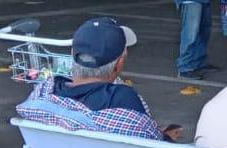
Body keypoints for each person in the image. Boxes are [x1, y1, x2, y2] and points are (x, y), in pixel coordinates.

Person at [16, 18, 163, 139]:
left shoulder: (43, 92)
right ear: (119, 63)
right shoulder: (125, 100)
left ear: (73, 53)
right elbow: (153, 143)